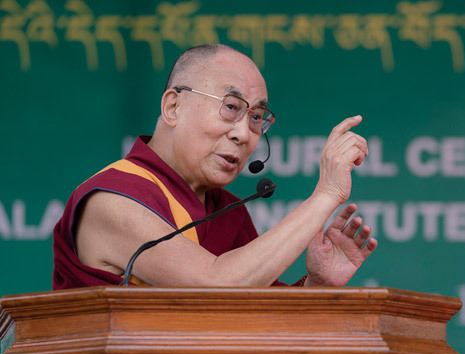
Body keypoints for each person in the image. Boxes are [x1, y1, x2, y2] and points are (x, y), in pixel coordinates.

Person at [52, 44, 377, 289]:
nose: (242, 133)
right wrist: (326, 195)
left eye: (255, 117)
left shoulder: (226, 212)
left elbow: (255, 322)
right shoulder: (112, 200)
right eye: (231, 107)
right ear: (174, 106)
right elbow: (217, 286)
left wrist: (316, 286)